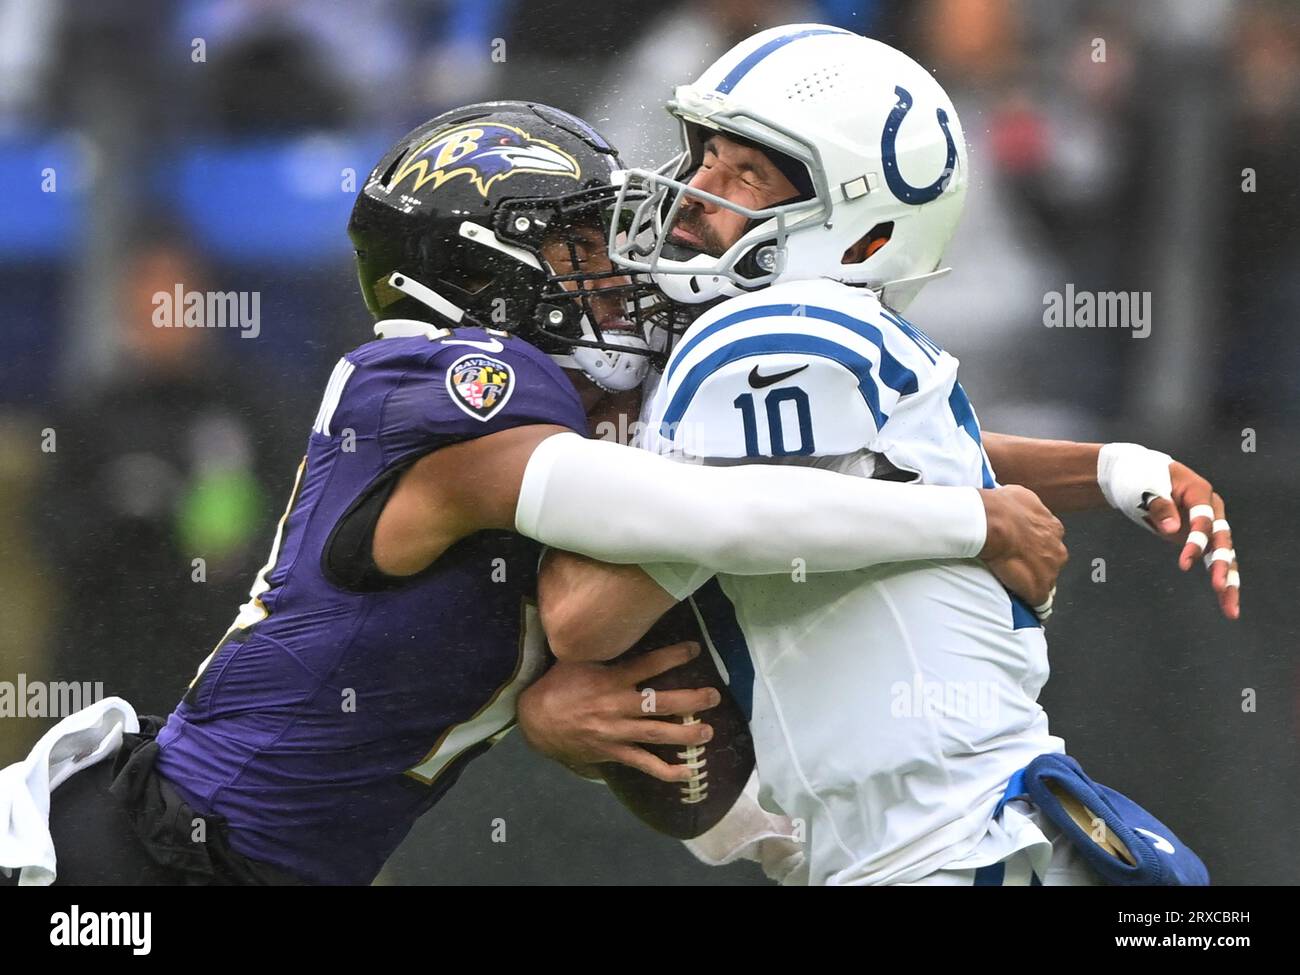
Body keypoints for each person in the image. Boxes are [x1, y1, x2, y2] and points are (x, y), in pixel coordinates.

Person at [1, 101, 1063, 887]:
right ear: (486, 264)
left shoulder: (559, 409)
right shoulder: (448, 388)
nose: (620, 264)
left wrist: (1105, 470)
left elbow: (825, 448)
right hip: (148, 859)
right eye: (578, 239)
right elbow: (707, 513)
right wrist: (957, 521)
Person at [519, 28, 1234, 885]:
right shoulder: (838, 341)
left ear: (859, 235)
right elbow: (904, 465)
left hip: (939, 855)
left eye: (747, 174)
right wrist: (1111, 467)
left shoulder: (774, 333)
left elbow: (588, 615)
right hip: (978, 839)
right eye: (705, 155)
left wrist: (535, 687)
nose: (695, 194)